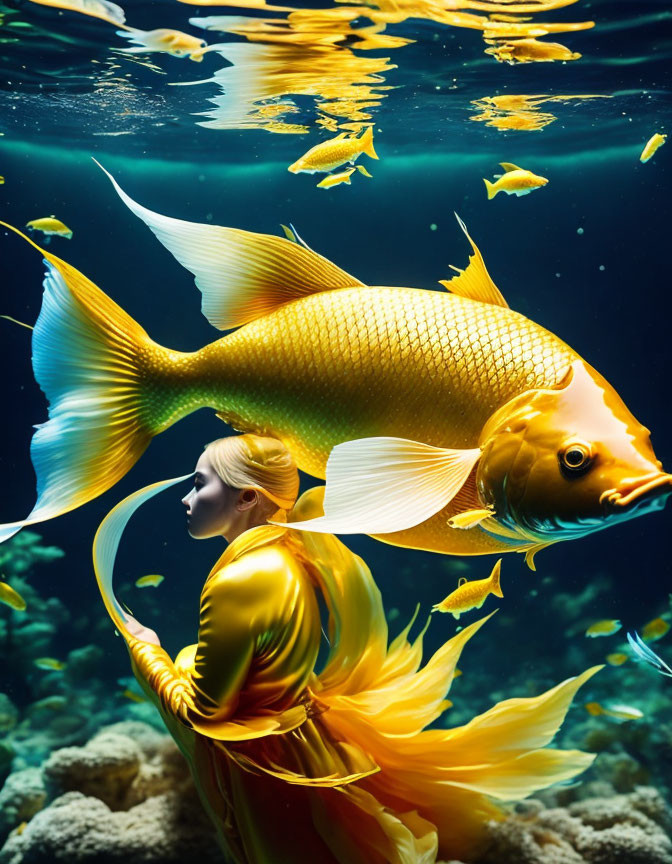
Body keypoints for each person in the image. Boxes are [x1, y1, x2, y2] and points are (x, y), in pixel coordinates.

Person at [94, 433, 599, 864]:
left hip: (272, 775)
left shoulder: (241, 578)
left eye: (200, 483)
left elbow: (205, 712)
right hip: (308, 745)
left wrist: (149, 654)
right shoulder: (285, 553)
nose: (187, 498)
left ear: (247, 498)